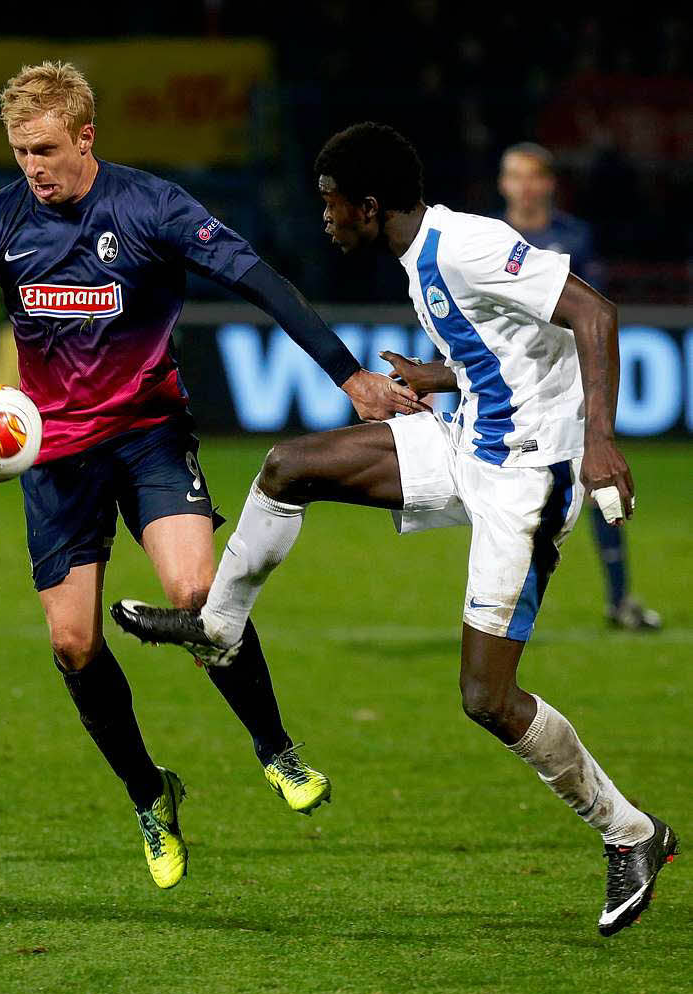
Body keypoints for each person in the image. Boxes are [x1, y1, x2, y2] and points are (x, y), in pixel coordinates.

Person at [0, 66, 423, 891]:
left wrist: (348, 377)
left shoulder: (151, 208)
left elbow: (258, 280)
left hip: (149, 437)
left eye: (47, 149)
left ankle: (276, 749)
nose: (34, 166)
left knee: (200, 596)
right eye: (21, 151)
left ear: (86, 136)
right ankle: (149, 795)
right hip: (55, 456)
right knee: (72, 642)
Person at [111, 123, 678, 934]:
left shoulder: (465, 245)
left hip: (528, 479)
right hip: (468, 440)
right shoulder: (422, 259)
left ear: (369, 205)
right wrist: (436, 375)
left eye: (332, 204)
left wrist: (599, 442)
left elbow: (592, 312)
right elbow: (515, 348)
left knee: (486, 697)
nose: (326, 218)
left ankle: (632, 833)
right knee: (288, 466)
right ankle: (219, 623)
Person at [498, 142, 661, 631]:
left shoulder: (573, 237)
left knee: (597, 485)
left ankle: (619, 599)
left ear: (548, 182)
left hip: (566, 382)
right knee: (508, 494)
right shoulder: (487, 236)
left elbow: (594, 310)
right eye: (515, 176)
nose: (525, 186)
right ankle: (500, 605)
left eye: (533, 176)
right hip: (505, 383)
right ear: (504, 184)